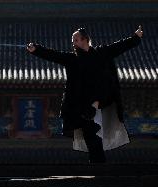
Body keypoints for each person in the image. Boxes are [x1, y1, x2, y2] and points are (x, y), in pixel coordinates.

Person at [26, 26, 143, 164]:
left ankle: (98, 167)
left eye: (76, 39)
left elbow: (119, 47)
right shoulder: (73, 59)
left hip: (100, 102)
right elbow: (55, 55)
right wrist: (37, 50)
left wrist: (135, 38)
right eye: (73, 40)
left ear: (85, 40)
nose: (74, 43)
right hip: (83, 107)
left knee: (96, 136)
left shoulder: (101, 53)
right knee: (91, 137)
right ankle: (97, 166)